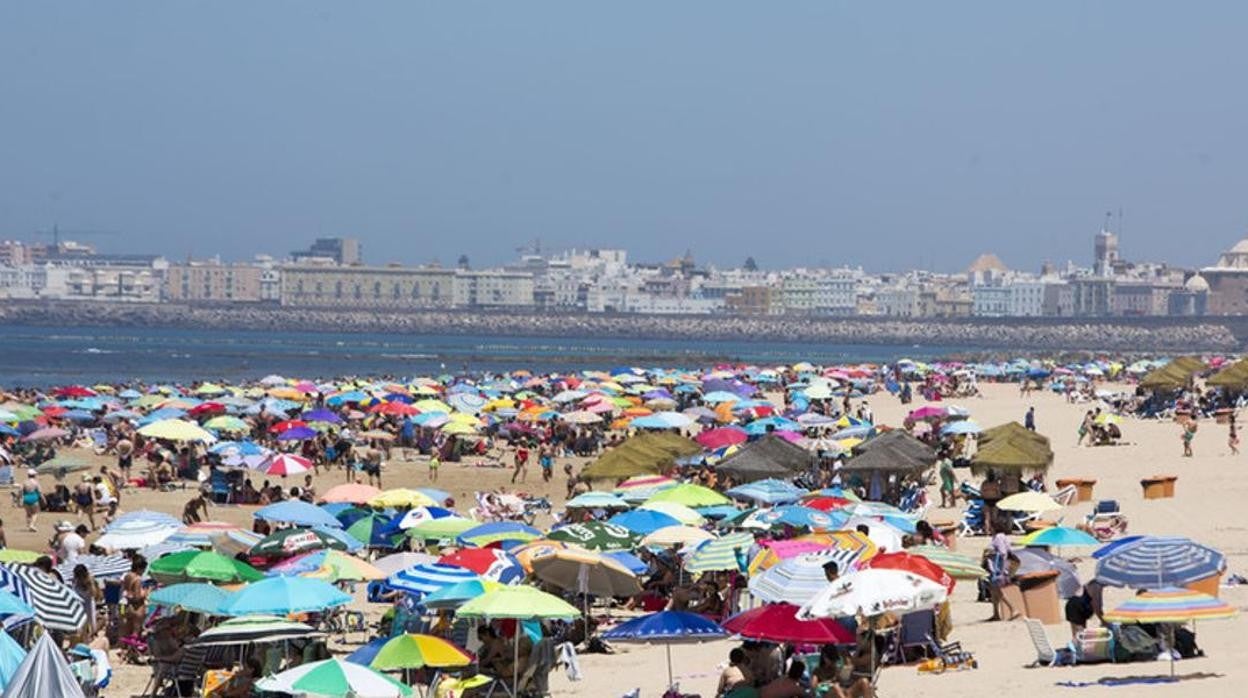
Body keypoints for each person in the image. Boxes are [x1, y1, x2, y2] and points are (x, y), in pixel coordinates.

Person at [121, 557, 148, 639]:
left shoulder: (127, 576)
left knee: (126, 632)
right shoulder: (137, 579)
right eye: (143, 570)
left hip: (126, 606)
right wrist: (145, 593)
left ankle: (123, 646)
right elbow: (137, 597)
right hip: (137, 608)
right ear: (139, 568)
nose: (143, 572)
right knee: (135, 634)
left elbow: (126, 591)